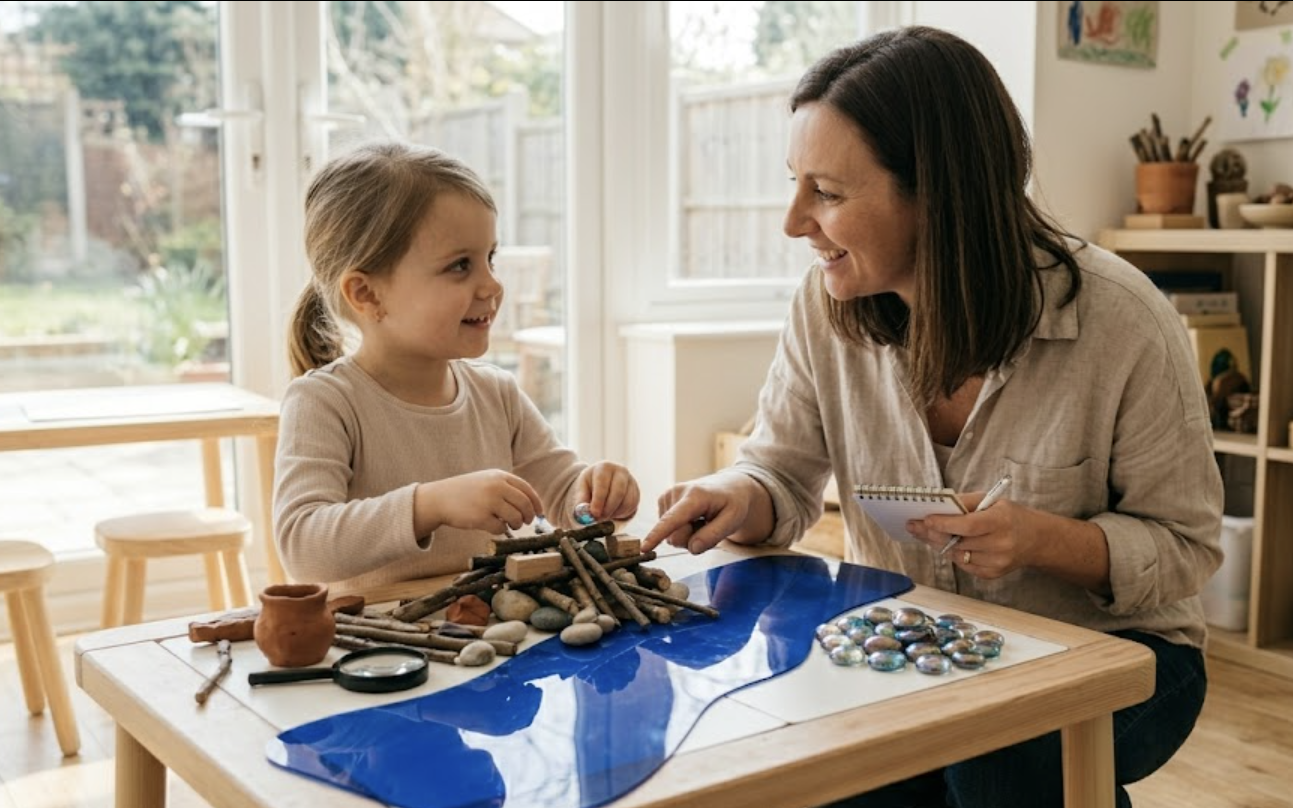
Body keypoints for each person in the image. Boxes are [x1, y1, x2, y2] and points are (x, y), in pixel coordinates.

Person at [643, 26, 1221, 808]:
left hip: (1120, 651)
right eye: (795, 183)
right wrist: (737, 495)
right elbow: (777, 470)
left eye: (829, 193)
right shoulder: (827, 307)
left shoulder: (1123, 321)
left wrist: (1043, 541)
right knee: (829, 771)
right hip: (916, 645)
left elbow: (1186, 549)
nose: (793, 221)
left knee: (994, 759)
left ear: (939, 194)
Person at [276, 141, 639, 591]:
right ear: (367, 294)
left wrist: (600, 494)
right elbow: (302, 545)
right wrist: (430, 504)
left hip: (493, 635)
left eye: (490, 258)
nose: (491, 284)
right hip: (380, 647)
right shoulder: (326, 401)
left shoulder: (497, 394)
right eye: (460, 266)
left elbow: (566, 496)